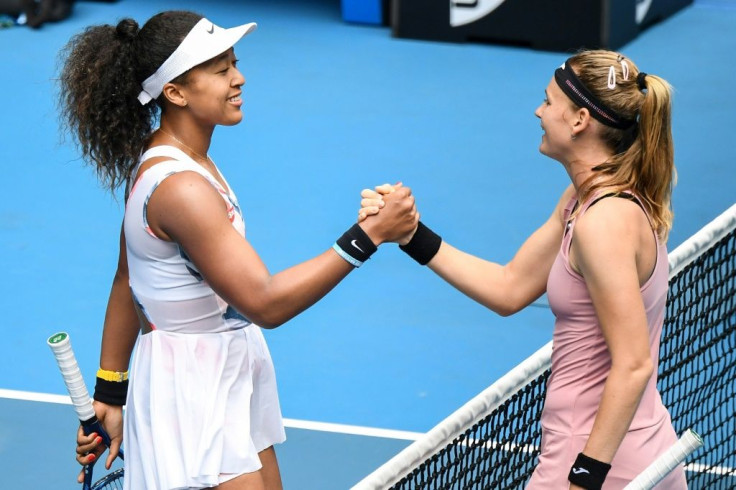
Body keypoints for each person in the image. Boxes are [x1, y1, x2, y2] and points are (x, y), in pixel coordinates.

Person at [59, 10, 418, 490]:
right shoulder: (182, 189)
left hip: (227, 368)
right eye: (220, 68)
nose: (238, 77)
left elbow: (129, 279)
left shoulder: (173, 159)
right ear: (176, 92)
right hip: (191, 389)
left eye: (234, 63)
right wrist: (367, 236)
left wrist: (110, 389)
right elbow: (265, 301)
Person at [360, 50, 686, 489]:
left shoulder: (603, 223)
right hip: (641, 451)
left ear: (579, 121)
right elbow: (509, 288)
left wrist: (584, 476)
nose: (539, 110)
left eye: (549, 102)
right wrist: (411, 235)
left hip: (593, 460)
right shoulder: (584, 200)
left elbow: (632, 365)